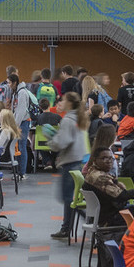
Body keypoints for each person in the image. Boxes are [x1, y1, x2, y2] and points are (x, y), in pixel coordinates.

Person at [48, 92, 91, 239]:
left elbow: (62, 142)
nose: (61, 102)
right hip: (79, 160)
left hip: (70, 162)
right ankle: (78, 223)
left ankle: (69, 227)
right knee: (70, 197)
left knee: (67, 197)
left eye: (64, 100)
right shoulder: (79, 117)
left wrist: (52, 140)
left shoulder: (67, 120)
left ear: (70, 103)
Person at [83, 125, 133, 229]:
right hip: (109, 216)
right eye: (105, 158)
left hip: (104, 211)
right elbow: (120, 196)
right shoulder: (101, 177)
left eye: (111, 159)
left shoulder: (93, 169)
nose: (109, 161)